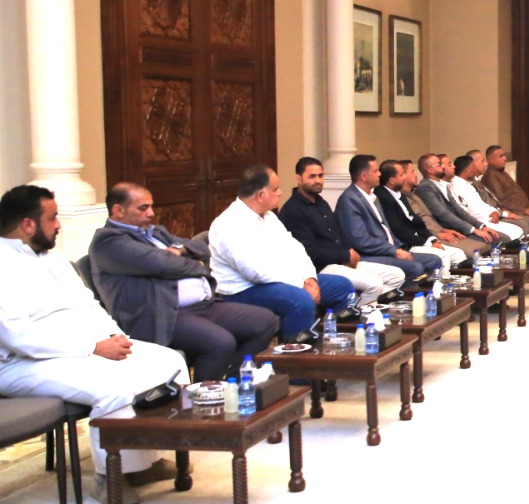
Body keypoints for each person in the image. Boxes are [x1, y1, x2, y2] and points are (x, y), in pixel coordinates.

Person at [0, 185, 191, 500]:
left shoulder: (52, 256)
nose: (59, 225)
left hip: (83, 348)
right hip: (23, 364)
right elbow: (19, 338)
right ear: (28, 224)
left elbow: (89, 304)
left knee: (170, 363)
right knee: (114, 388)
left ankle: (144, 462)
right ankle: (109, 479)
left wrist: (115, 337)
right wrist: (93, 348)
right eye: (53, 218)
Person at [89, 183, 277, 381]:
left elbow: (202, 246)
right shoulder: (109, 242)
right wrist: (197, 265)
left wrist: (179, 250)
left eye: (151, 206)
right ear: (119, 210)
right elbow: (163, 264)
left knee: (265, 321)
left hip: (203, 306)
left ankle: (235, 383)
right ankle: (203, 395)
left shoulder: (155, 232)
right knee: (220, 342)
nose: (151, 213)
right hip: (162, 315)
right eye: (143, 208)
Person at [210, 165, 357, 339]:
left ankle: (335, 343)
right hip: (244, 290)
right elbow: (256, 272)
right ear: (261, 195)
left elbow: (296, 249)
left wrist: (309, 278)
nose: (280, 193)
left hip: (285, 281)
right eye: (275, 189)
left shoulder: (270, 217)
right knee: (300, 300)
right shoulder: (229, 224)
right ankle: (299, 353)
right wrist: (300, 284)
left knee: (342, 287)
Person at [278, 157, 404, 306]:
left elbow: (338, 234)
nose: (318, 180)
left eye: (320, 175)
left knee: (397, 276)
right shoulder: (293, 210)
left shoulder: (321, 203)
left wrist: (349, 252)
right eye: (312, 176)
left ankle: (371, 308)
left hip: (341, 261)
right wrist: (345, 255)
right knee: (374, 284)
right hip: (321, 268)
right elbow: (309, 252)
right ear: (299, 179)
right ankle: (353, 316)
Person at [336, 155, 443, 281]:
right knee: (414, 267)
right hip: (370, 255)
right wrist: (394, 251)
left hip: (389, 250)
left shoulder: (372, 197)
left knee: (434, 260)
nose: (379, 174)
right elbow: (361, 240)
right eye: (375, 171)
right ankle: (405, 294)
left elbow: (386, 230)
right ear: (364, 176)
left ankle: (430, 292)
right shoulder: (350, 200)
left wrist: (399, 247)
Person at [377, 159, 468, 268]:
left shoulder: (399, 194)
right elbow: (398, 230)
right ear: (392, 180)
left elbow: (417, 221)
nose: (404, 177)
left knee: (458, 254)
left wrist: (432, 240)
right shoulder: (383, 197)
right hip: (406, 244)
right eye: (401, 175)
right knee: (442, 256)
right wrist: (428, 243)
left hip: (420, 239)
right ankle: (440, 279)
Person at [415, 153, 504, 247]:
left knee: (494, 237)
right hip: (447, 231)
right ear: (430, 170)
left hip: (460, 227)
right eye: (439, 164)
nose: (443, 166)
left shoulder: (442, 184)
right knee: (489, 240)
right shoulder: (425, 188)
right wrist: (473, 229)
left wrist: (481, 226)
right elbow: (443, 214)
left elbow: (458, 209)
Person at [450, 153, 529, 239]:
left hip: (489, 216)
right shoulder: (457, 186)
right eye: (474, 167)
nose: (476, 169)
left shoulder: (467, 184)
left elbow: (481, 204)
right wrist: (493, 214)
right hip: (481, 221)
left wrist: (494, 212)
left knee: (518, 230)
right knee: (513, 233)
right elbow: (473, 211)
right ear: (468, 169)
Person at [481, 145, 529, 227]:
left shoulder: (501, 172)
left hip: (525, 209)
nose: (505, 158)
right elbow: (501, 202)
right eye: (501, 156)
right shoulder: (491, 177)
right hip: (516, 212)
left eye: (504, 155)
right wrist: (523, 210)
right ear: (491, 160)